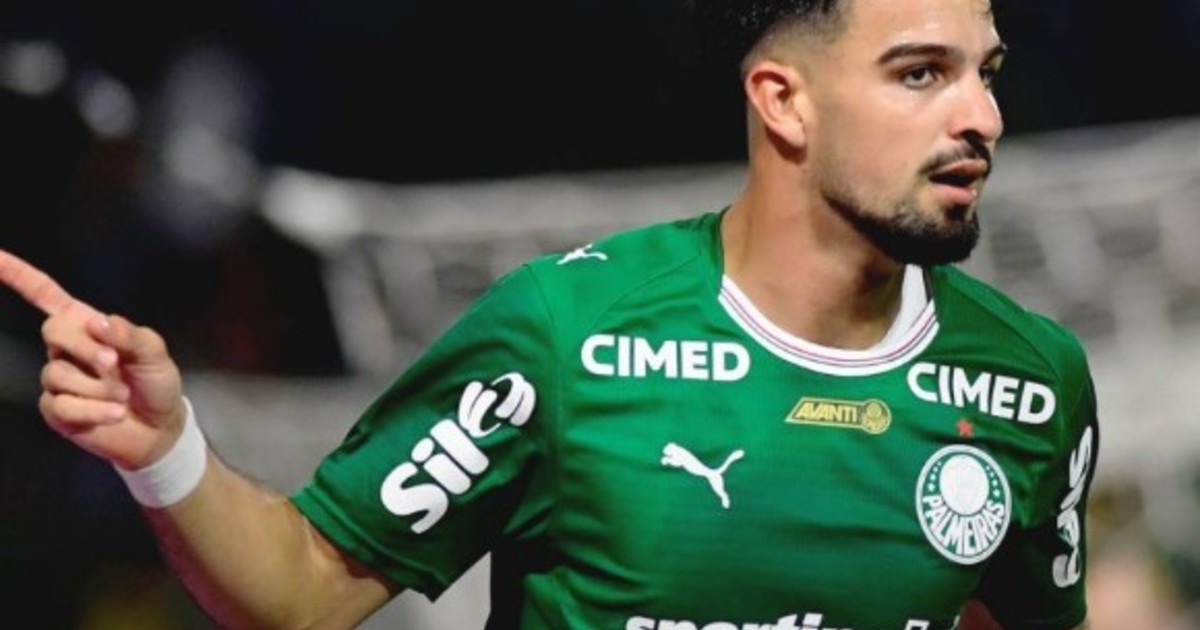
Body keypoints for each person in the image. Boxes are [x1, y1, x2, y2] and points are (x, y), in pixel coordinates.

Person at [0, 0, 1099, 628]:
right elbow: (303, 587)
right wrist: (165, 451)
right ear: (784, 102)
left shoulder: (1031, 385)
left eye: (988, 73)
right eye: (922, 74)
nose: (983, 116)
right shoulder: (567, 336)